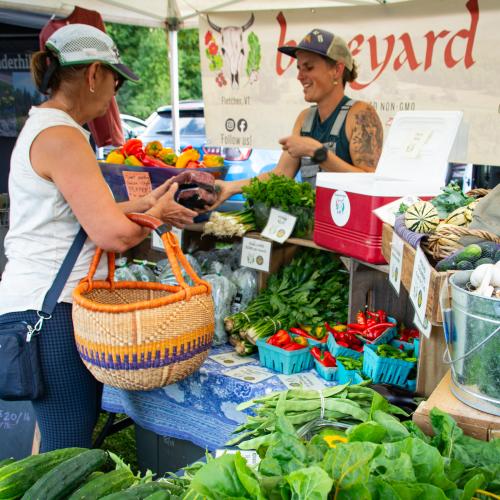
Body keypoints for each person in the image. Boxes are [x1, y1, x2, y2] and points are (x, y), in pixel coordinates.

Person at [0, 24, 197, 452]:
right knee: (67, 449)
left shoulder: (49, 130)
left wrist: (148, 204)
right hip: (48, 313)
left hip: (37, 304)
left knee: (62, 442)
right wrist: (156, 216)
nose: (115, 93)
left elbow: (83, 217)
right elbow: (111, 234)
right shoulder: (62, 138)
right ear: (93, 74)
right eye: (115, 79)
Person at [211, 28, 384, 207]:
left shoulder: (361, 114)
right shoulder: (305, 118)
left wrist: (317, 152)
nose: (300, 76)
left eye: (309, 67)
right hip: (312, 227)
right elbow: (281, 174)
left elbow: (370, 182)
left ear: (337, 70)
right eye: (299, 68)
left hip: (349, 229)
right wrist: (230, 187)